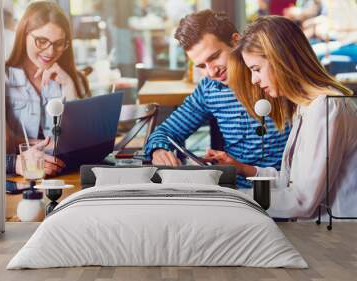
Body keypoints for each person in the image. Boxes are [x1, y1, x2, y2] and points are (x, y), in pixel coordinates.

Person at [228, 15, 357, 218]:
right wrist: (243, 169)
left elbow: (301, 200)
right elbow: (292, 182)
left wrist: (234, 197)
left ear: (281, 60)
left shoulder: (327, 107)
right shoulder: (306, 107)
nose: (254, 80)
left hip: (338, 241)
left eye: (256, 69)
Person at [144, 10, 291, 188]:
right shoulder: (209, 89)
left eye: (214, 57)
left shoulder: (275, 79)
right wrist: (159, 149)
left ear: (236, 41)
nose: (211, 71)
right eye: (201, 66)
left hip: (286, 190)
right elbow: (165, 132)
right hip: (236, 192)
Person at [5, 1, 90, 176]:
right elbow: (0, 144)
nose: (50, 51)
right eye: (42, 41)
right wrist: (51, 145)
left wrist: (69, 86)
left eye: (59, 43)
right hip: (20, 179)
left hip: (67, 176)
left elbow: (84, 142)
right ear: (23, 35)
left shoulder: (74, 80)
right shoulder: (1, 79)